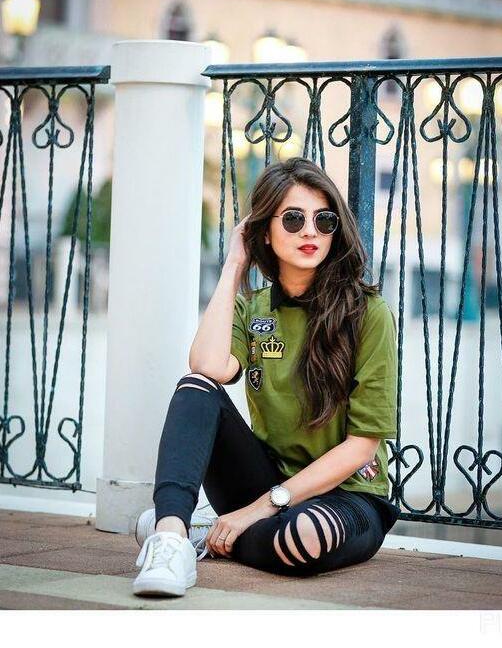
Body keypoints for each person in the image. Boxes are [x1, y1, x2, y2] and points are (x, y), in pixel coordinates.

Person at [132, 157, 400, 597]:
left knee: (303, 538)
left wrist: (258, 509)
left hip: (347, 494)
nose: (310, 231)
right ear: (266, 233)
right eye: (293, 219)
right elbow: (208, 367)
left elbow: (362, 447)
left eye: (324, 220)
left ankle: (210, 534)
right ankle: (171, 537)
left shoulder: (369, 314)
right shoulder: (252, 308)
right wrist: (234, 265)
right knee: (195, 388)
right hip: (265, 480)